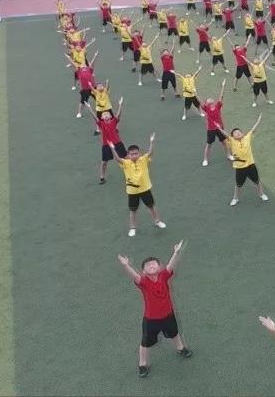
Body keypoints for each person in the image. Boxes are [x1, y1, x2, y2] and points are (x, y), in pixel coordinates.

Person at [117, 240, 191, 378]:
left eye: (153, 264)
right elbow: (134, 276)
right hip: (151, 320)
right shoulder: (144, 282)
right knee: (145, 342)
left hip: (168, 315)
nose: (151, 265)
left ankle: (181, 348)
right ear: (144, 271)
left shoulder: (163, 276)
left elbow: (171, 265)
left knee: (174, 333)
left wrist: (176, 252)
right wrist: (126, 265)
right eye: (147, 265)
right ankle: (142, 363)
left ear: (159, 266)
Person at [112, 133, 167, 237]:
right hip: (132, 192)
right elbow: (117, 159)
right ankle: (132, 228)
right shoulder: (126, 163)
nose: (134, 155)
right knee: (133, 210)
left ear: (139, 153)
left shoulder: (144, 159)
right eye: (132, 154)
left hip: (145, 189)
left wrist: (151, 142)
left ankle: (157, 221)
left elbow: (150, 152)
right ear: (128, 155)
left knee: (152, 206)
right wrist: (112, 148)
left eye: (136, 153)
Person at [215, 114, 269, 206]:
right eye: (235, 133)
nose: (238, 133)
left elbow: (253, 129)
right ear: (233, 136)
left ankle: (261, 194)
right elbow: (226, 135)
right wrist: (219, 128)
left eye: (239, 132)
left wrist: (258, 120)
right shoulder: (232, 141)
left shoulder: (247, 138)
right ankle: (235, 198)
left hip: (251, 164)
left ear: (242, 133)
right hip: (240, 168)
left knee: (257, 181)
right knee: (238, 185)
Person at [86, 97, 125, 185]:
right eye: (104, 114)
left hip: (117, 143)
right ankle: (102, 177)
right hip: (106, 145)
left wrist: (120, 105)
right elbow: (94, 117)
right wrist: (89, 108)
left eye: (107, 114)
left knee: (125, 158)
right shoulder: (101, 124)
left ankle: (131, 171)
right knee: (104, 162)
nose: (106, 115)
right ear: (102, 117)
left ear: (110, 116)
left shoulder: (114, 121)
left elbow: (118, 114)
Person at [200, 80, 228, 167]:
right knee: (209, 144)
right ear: (207, 103)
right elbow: (199, 102)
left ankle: (229, 155)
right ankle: (205, 159)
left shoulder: (217, 106)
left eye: (211, 99)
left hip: (219, 128)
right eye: (208, 100)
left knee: (224, 142)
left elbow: (221, 96)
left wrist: (223, 86)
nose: (210, 99)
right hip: (211, 129)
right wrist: (195, 93)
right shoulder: (206, 109)